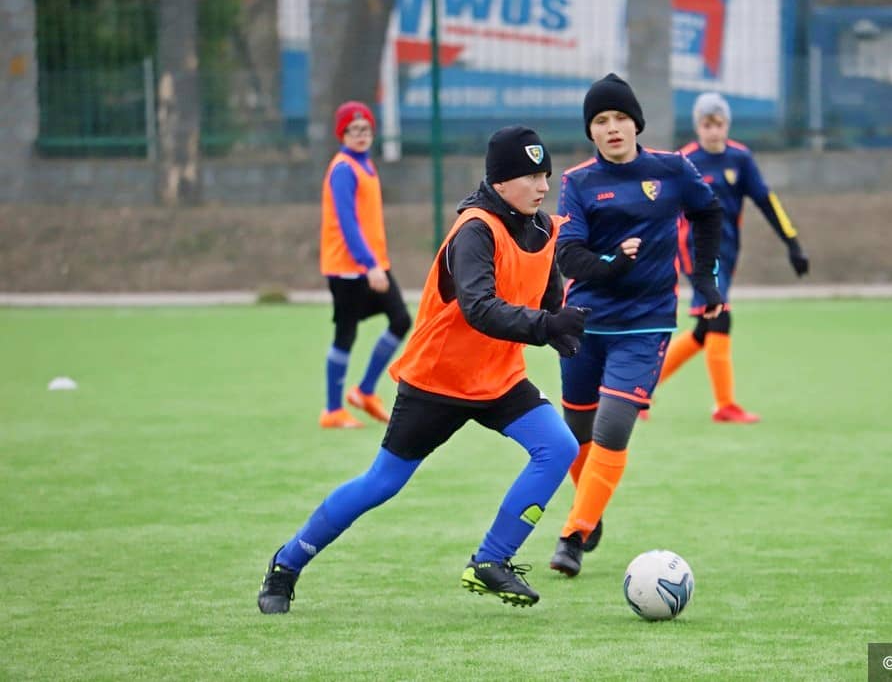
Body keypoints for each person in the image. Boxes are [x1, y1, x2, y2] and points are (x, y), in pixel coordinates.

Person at [258, 126, 589, 613]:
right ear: (500, 182)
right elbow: (479, 307)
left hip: (498, 378)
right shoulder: (475, 230)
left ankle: (491, 560)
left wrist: (563, 325)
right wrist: (545, 326)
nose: (543, 186)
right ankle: (286, 564)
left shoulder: (543, 230)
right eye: (531, 177)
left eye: (546, 176)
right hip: (439, 380)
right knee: (381, 483)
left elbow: (547, 299)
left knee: (558, 447)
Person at [548, 74, 724, 578]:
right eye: (601, 121)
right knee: (576, 432)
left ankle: (574, 533)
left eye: (620, 118)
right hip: (585, 323)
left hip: (646, 323)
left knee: (614, 424)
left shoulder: (672, 170)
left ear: (636, 124)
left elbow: (708, 214)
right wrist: (613, 262)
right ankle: (592, 505)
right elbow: (569, 255)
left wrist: (704, 280)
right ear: (591, 131)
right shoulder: (578, 182)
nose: (612, 128)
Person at [656, 92, 809, 423]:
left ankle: (638, 392)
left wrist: (792, 243)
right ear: (697, 126)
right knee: (720, 316)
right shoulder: (685, 161)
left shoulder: (740, 159)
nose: (713, 131)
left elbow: (766, 201)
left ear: (727, 124)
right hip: (696, 252)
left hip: (726, 253)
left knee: (704, 331)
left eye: (719, 123)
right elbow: (659, 207)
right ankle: (724, 405)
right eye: (706, 124)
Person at [319, 100, 412, 429]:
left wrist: (376, 263)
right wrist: (369, 263)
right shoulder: (344, 169)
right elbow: (347, 222)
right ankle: (332, 410)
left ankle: (365, 391)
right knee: (345, 334)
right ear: (342, 134)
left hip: (373, 264)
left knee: (400, 320)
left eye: (366, 129)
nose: (361, 134)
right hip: (349, 267)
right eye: (353, 129)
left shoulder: (365, 165)